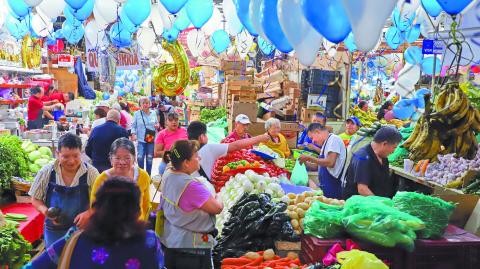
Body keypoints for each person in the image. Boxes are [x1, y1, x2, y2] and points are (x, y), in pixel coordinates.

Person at [25, 177, 164, 269]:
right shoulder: (150, 241)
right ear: (136, 211)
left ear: (96, 207)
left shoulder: (75, 237)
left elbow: (36, 265)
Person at [160, 140, 223, 269]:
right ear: (186, 163)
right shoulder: (190, 186)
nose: (199, 157)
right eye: (195, 155)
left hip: (172, 240)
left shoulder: (168, 172)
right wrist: (219, 195)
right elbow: (217, 208)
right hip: (192, 248)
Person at [28, 133, 99, 247]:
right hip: (54, 233)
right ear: (57, 153)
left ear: (81, 153)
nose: (71, 161)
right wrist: (46, 211)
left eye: (75, 156)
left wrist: (89, 213)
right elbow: (35, 199)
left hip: (82, 232)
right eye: (66, 156)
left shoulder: (91, 173)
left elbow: (103, 202)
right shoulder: (46, 172)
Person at [90, 138, 152, 221]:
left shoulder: (143, 176)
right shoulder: (102, 179)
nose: (122, 162)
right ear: (111, 159)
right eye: (117, 158)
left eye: (127, 158)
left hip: (136, 228)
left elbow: (146, 205)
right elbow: (94, 208)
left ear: (134, 158)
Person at [187, 121, 269, 181]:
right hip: (204, 189)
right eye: (206, 134)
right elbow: (235, 146)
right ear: (202, 137)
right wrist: (260, 138)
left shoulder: (185, 151)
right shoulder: (208, 149)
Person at [343, 127, 402, 199]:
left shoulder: (383, 157)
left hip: (374, 202)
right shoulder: (363, 157)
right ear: (384, 144)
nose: (394, 151)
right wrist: (379, 204)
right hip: (360, 206)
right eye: (394, 147)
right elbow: (362, 189)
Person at [299, 123, 347, 199]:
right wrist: (305, 163)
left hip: (334, 187)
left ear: (317, 132)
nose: (313, 141)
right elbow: (318, 166)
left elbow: (330, 163)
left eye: (312, 138)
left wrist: (309, 158)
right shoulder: (326, 143)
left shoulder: (333, 139)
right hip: (326, 186)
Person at [132, 97, 159, 175]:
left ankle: (148, 176)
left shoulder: (153, 113)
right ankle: (141, 175)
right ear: (140, 104)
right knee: (140, 158)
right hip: (140, 139)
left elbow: (157, 123)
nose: (145, 104)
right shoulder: (137, 114)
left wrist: (157, 125)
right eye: (143, 103)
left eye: (147, 103)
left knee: (149, 158)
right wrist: (133, 134)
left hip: (150, 138)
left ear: (149, 104)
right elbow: (133, 126)